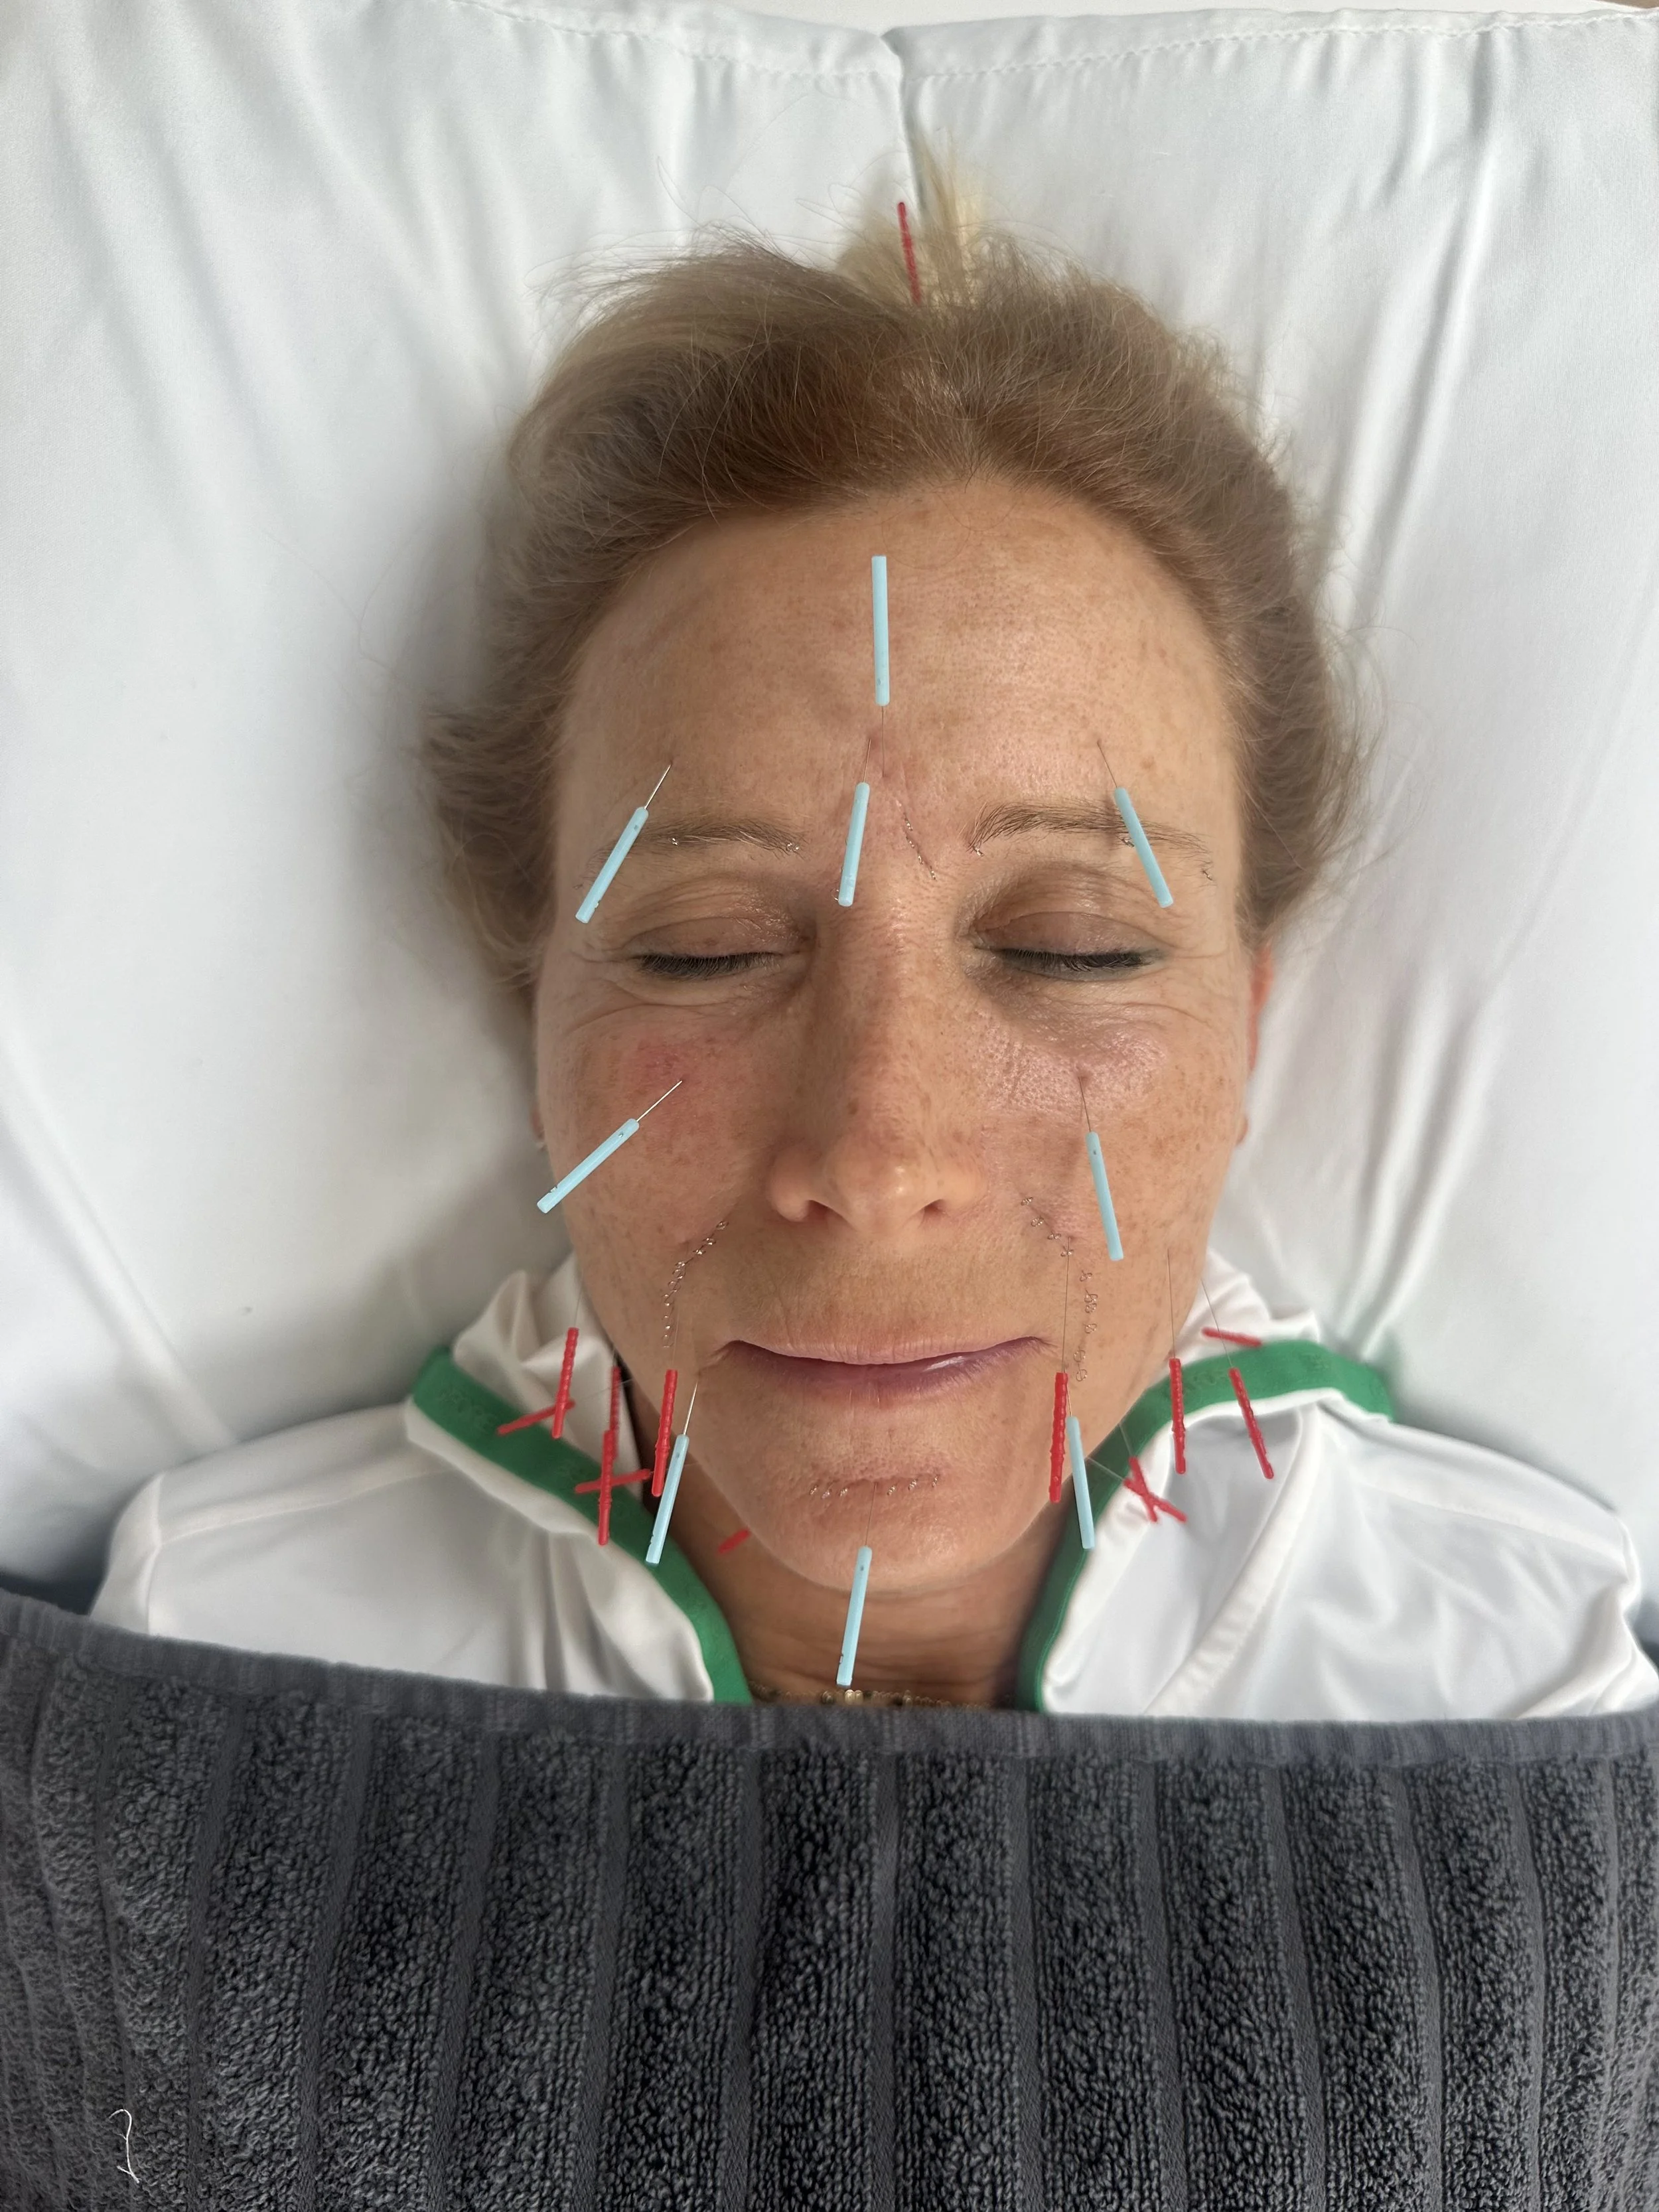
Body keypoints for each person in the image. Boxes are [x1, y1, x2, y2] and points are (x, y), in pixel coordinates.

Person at [92, 158, 1658, 1720]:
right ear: (534, 1019)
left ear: (1244, 1027)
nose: (879, 1149)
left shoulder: (1515, 1684)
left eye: (1070, 948)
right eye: (703, 951)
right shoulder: (211, 1660)